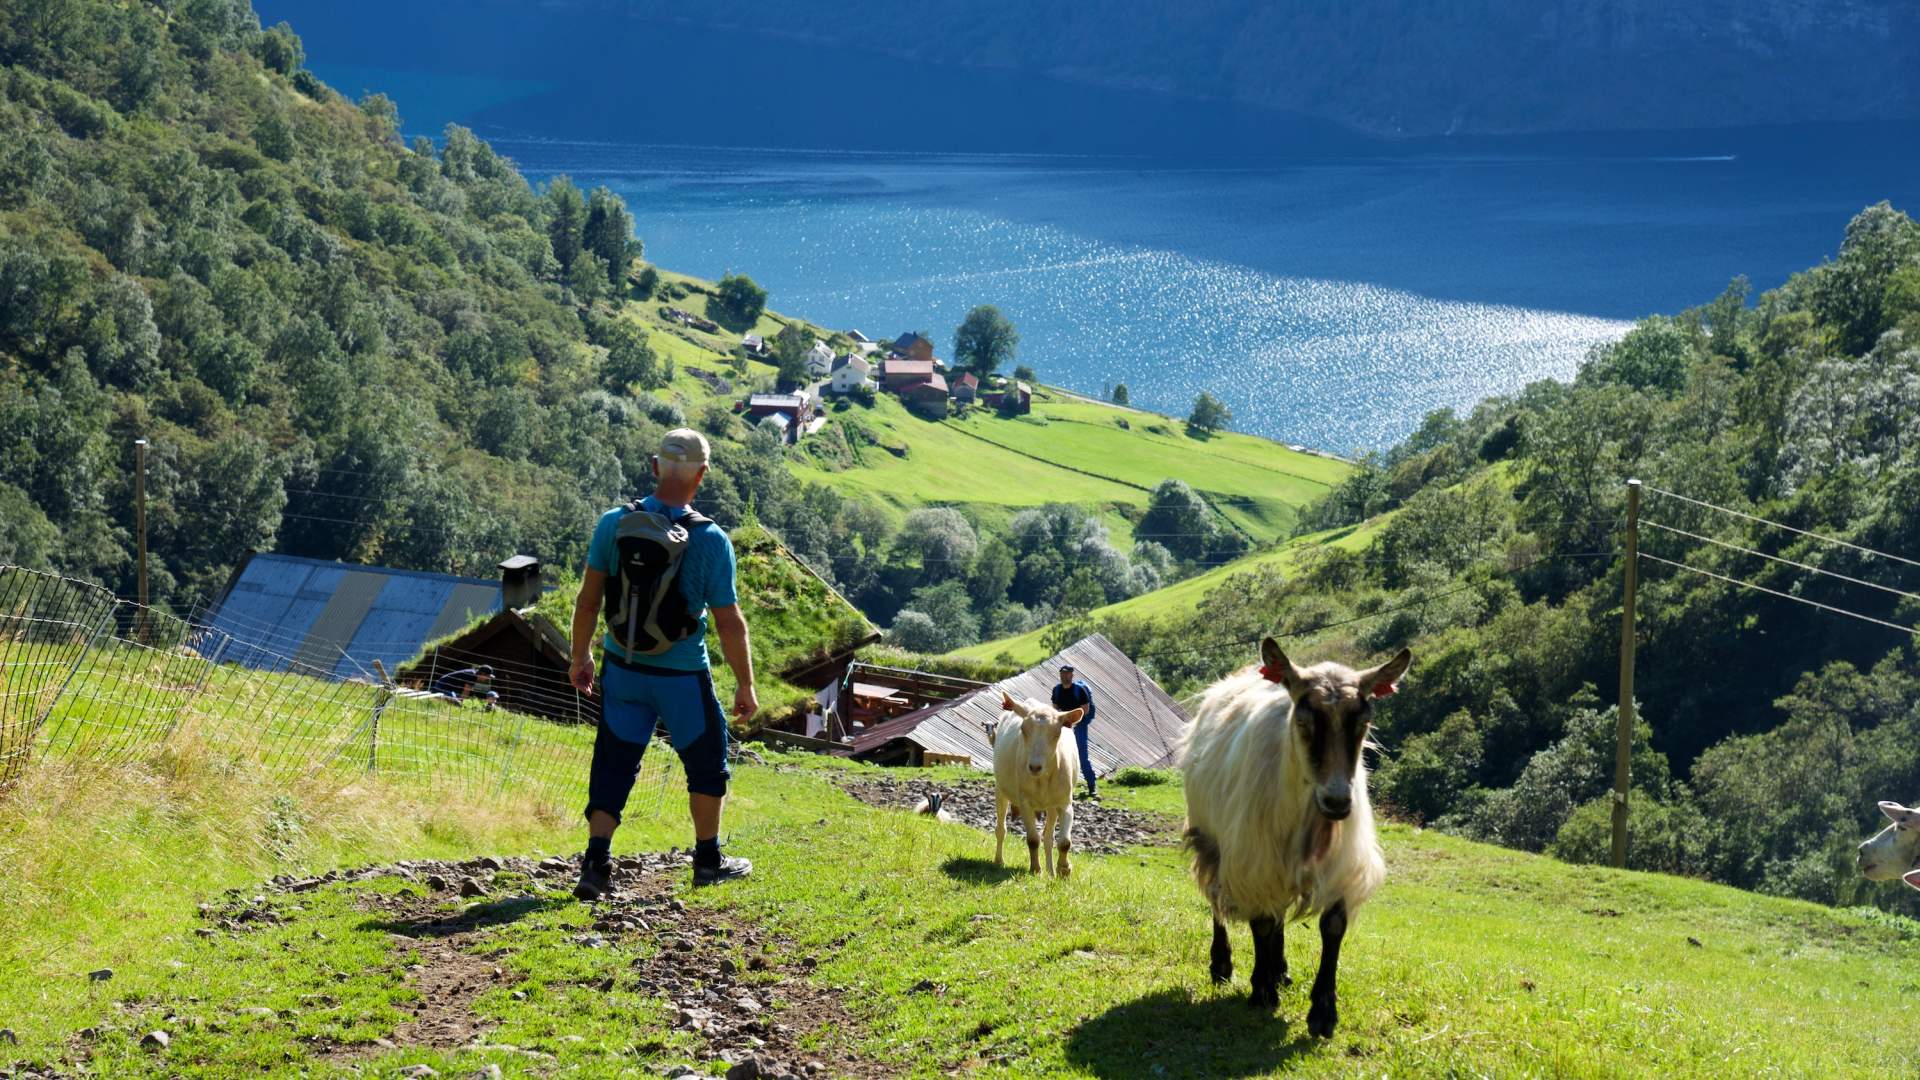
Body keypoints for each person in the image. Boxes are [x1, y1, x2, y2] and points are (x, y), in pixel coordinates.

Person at [568, 429, 758, 899]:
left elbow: (588, 601)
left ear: (655, 467)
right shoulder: (711, 540)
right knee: (707, 760)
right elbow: (729, 622)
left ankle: (595, 864)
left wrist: (581, 656)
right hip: (680, 676)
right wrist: (745, 684)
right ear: (702, 474)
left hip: (623, 668)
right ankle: (708, 861)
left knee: (614, 760)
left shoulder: (614, 524)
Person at [1052, 664, 1098, 799]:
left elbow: (1086, 709)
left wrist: (1073, 721)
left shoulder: (1080, 690)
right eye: (1062, 674)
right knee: (1057, 753)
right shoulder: (1057, 690)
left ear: (1072, 675)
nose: (1064, 676)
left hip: (1079, 724)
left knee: (1081, 755)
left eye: (1067, 674)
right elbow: (1054, 708)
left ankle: (1092, 786)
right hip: (1063, 724)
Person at [432, 665, 496, 705]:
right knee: (456, 704)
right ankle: (435, 696)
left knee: (456, 700)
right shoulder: (472, 676)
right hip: (441, 687)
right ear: (482, 674)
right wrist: (460, 704)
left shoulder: (473, 674)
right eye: (488, 676)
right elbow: (466, 692)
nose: (488, 679)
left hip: (446, 688)